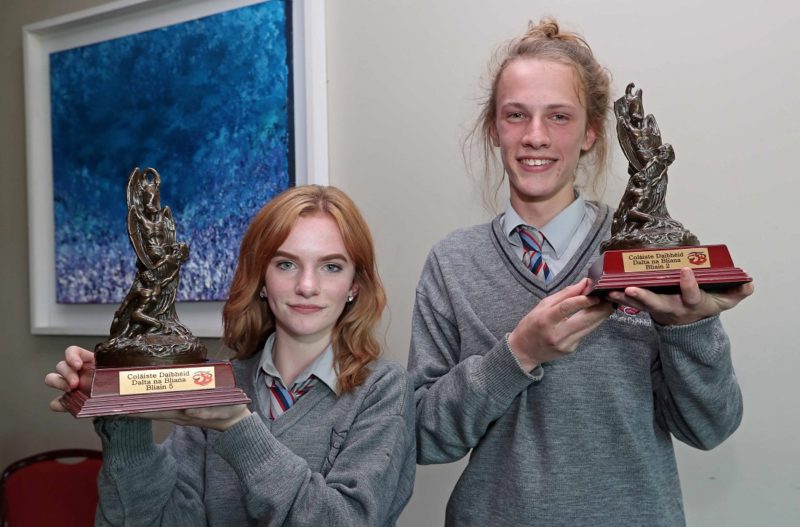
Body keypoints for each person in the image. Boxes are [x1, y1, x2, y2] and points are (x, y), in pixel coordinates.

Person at [407, 18, 753, 526]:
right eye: (516, 115)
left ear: (591, 132)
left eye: (559, 117)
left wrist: (690, 329)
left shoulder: (645, 257)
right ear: (493, 129)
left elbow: (710, 428)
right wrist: (519, 354)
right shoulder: (451, 263)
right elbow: (422, 436)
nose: (536, 136)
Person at [46, 185, 416, 526]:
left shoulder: (383, 390)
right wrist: (122, 410)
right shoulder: (219, 381)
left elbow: (346, 519)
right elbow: (157, 520)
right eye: (285, 264)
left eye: (331, 267)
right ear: (261, 279)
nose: (307, 286)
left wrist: (238, 426)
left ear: (354, 285)